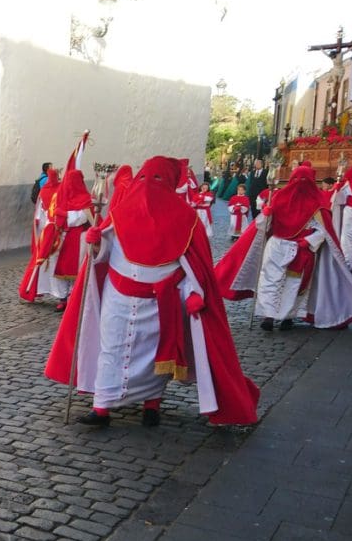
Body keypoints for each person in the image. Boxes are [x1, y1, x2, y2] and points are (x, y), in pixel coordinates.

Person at [44, 156, 259, 428]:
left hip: (162, 303)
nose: (148, 186)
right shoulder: (120, 213)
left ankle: (151, 404)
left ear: (168, 183)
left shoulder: (187, 219)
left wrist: (196, 293)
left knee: (155, 355)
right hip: (118, 298)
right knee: (111, 351)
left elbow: (194, 266)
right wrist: (95, 245)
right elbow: (105, 255)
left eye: (157, 179)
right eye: (144, 178)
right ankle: (101, 408)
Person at [214, 165, 352, 331]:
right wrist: (266, 214)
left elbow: (323, 230)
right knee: (271, 281)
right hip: (277, 246)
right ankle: (268, 315)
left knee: (293, 285)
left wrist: (309, 241)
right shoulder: (279, 197)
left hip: (301, 250)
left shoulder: (316, 202)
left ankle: (288, 317)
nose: (300, 184)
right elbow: (264, 226)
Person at [17, 169, 93, 311]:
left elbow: (82, 218)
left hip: (78, 239)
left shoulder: (85, 198)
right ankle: (62, 298)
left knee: (77, 270)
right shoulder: (59, 196)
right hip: (61, 237)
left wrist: (64, 215)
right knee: (58, 269)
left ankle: (74, 297)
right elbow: (51, 213)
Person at [18, 167, 59, 302]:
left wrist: (39, 230)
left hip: (46, 228)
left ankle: (35, 289)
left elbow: (39, 215)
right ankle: (60, 294)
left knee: (41, 259)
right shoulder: (60, 190)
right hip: (57, 229)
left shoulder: (44, 192)